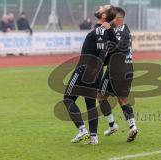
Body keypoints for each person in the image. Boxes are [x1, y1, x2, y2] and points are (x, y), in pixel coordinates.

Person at [63, 5, 116, 145]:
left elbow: (103, 52)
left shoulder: (99, 31)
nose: (99, 7)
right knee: (90, 104)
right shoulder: (104, 31)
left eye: (103, 7)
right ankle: (93, 137)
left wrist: (93, 70)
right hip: (95, 74)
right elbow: (114, 46)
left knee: (67, 98)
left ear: (104, 16)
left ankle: (82, 130)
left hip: (84, 70)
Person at [98, 7, 138, 142]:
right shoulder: (120, 30)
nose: (111, 19)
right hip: (127, 70)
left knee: (101, 96)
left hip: (117, 70)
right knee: (122, 100)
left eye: (112, 17)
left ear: (117, 19)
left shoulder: (122, 32)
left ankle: (112, 124)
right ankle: (132, 127)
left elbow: (117, 49)